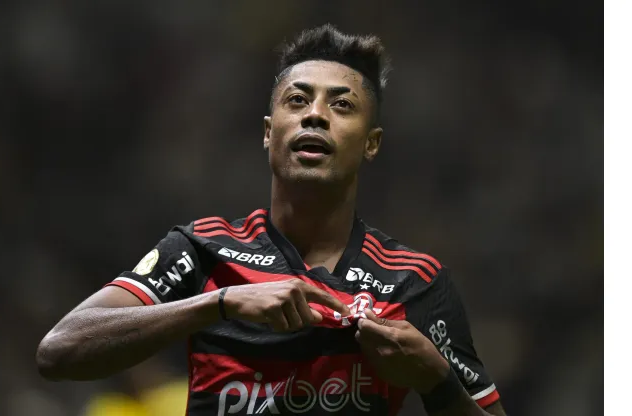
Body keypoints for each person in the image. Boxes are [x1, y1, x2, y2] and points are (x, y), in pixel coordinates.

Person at [36, 24, 507, 416]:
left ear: (371, 143)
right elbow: (59, 350)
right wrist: (221, 302)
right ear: (268, 132)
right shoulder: (201, 248)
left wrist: (438, 382)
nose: (316, 116)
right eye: (297, 101)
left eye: (341, 105)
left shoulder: (415, 280)